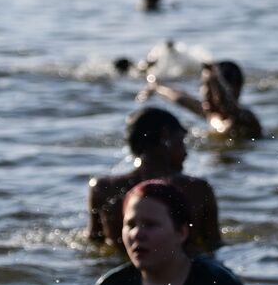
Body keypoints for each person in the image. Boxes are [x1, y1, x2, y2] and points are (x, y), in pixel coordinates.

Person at [90, 179, 256, 285]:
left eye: (150, 225)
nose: (137, 234)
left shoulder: (218, 284)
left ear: (182, 232)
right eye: (130, 225)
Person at [89, 108, 221, 254]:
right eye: (181, 141)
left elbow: (95, 242)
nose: (185, 152)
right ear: (165, 136)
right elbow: (213, 246)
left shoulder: (103, 188)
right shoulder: (198, 189)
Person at [140, 60, 263, 140]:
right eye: (203, 86)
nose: (204, 92)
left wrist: (214, 79)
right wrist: (155, 86)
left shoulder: (245, 119)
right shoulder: (211, 115)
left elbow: (227, 103)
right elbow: (181, 98)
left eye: (209, 87)